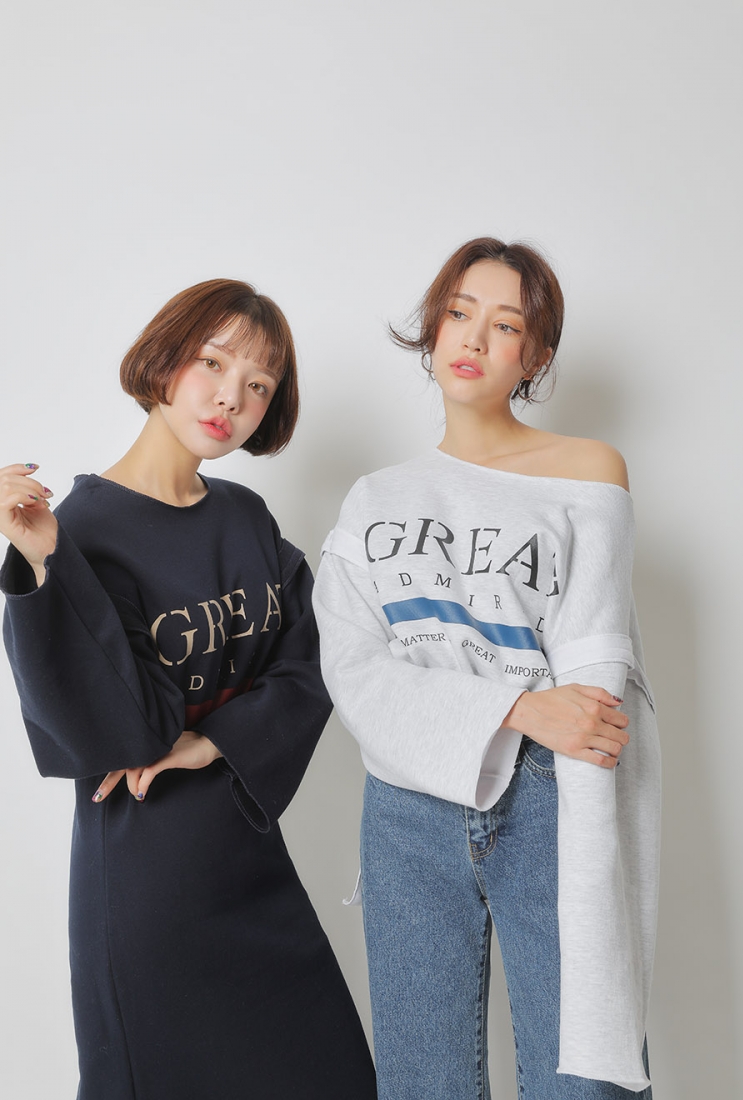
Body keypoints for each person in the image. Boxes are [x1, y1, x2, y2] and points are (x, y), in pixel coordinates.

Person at [0, 279, 376, 1100]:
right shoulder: (83, 531)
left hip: (251, 863)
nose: (230, 397)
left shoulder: (246, 517)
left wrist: (214, 740)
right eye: (213, 362)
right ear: (164, 360)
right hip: (148, 881)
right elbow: (125, 732)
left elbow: (315, 661)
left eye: (258, 385)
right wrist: (43, 560)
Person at [313, 238, 661, 1099]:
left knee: (584, 1077)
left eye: (505, 325)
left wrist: (546, 725)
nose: (473, 337)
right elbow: (353, 669)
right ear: (433, 328)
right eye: (459, 312)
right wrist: (516, 706)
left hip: (550, 794)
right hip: (405, 807)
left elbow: (592, 680)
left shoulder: (587, 471)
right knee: (420, 1082)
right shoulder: (373, 499)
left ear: (534, 356)